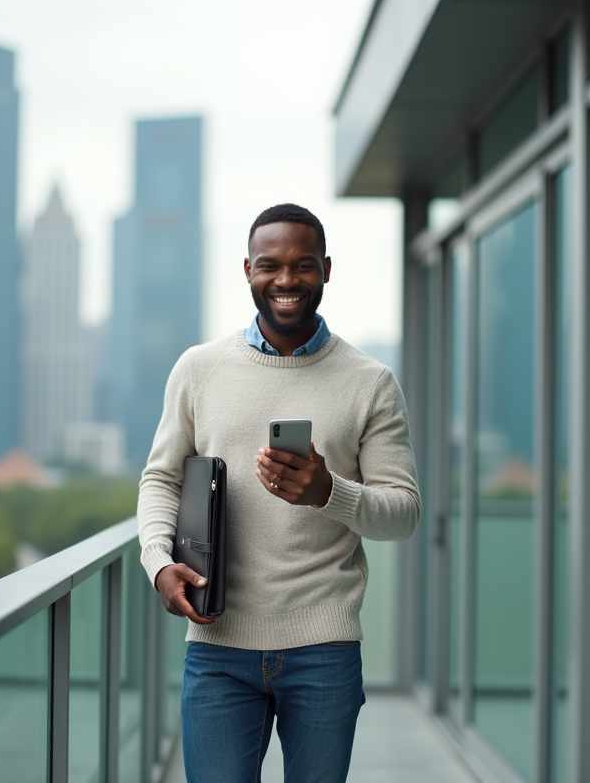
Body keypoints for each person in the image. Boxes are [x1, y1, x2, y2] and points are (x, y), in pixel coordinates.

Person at [137, 202, 421, 783]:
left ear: (327, 270)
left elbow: (404, 513)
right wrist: (158, 564)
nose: (286, 280)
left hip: (325, 648)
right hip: (217, 645)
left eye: (304, 265)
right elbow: (161, 479)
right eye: (270, 265)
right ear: (247, 270)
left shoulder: (370, 383)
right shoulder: (199, 369)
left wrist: (329, 493)